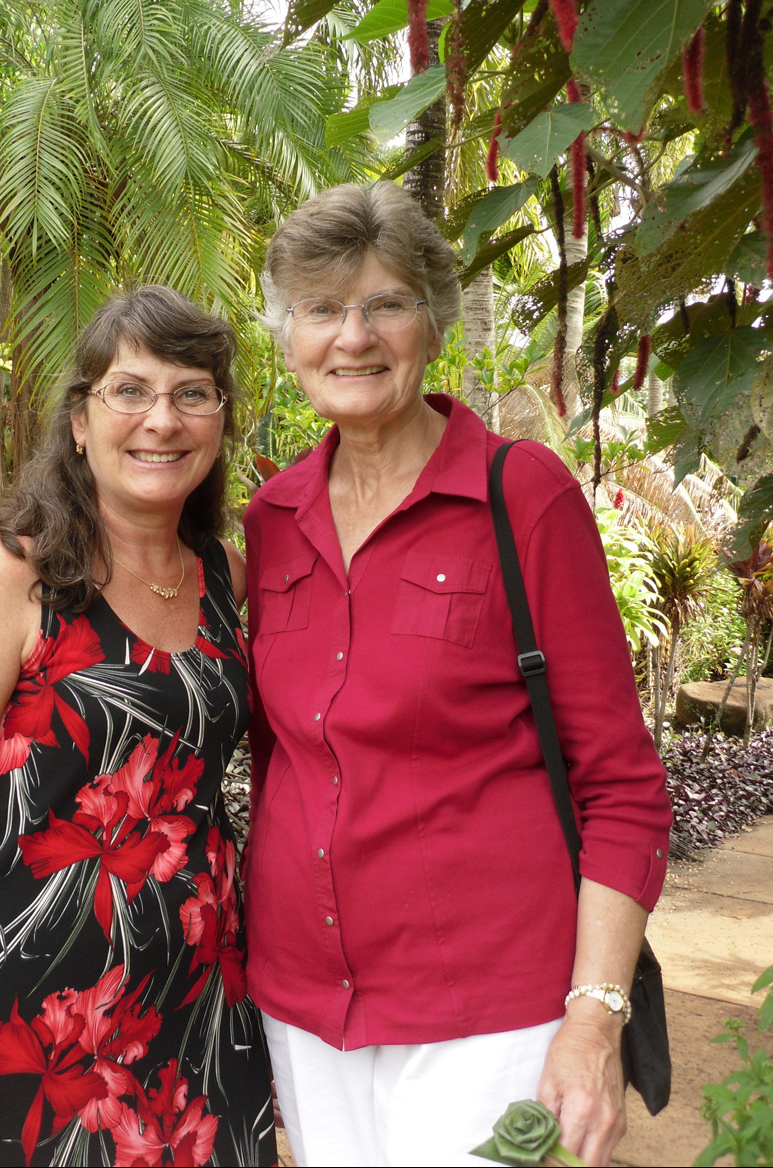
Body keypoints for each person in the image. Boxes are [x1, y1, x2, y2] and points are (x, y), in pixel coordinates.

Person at [243, 183, 671, 1168]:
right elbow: (280, 771)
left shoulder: (522, 495)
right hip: (309, 1015)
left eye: (384, 303)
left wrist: (594, 1019)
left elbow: (621, 784)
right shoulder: (272, 519)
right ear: (288, 336)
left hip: (491, 1016)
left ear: (432, 324)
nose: (352, 337)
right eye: (321, 309)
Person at [0, 286, 276, 1168]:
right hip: (27, 1036)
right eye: (128, 391)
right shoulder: (11, 578)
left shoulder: (226, 580)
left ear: (219, 420)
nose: (160, 420)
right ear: (81, 422)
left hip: (196, 1024)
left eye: (192, 393)